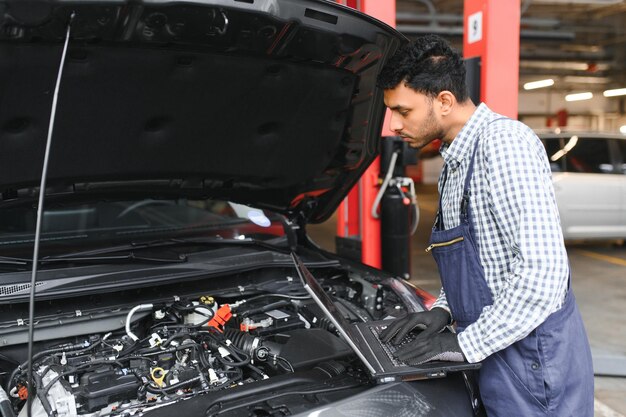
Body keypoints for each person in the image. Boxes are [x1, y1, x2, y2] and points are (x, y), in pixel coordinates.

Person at [376, 35, 594, 417]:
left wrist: (464, 345)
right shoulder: (455, 162)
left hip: (534, 360)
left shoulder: (504, 144)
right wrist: (443, 311)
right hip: (493, 345)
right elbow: (481, 264)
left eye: (402, 110)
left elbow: (543, 276)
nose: (393, 125)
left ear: (443, 101)